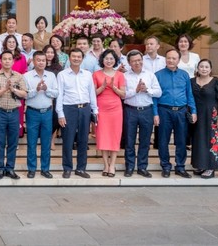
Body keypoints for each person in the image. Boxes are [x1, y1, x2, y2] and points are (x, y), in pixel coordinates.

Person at [154, 49, 197, 178]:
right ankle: (165, 166)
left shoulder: (184, 75)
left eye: (174, 58)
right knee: (163, 140)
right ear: (165, 59)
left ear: (178, 60)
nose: (171, 60)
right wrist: (155, 113)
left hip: (181, 111)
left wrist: (193, 111)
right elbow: (154, 97)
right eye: (168, 58)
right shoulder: (158, 75)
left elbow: (189, 94)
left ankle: (180, 166)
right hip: (164, 110)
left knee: (181, 141)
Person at [57, 48, 98, 178]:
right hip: (69, 109)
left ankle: (81, 168)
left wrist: (95, 110)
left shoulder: (87, 75)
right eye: (73, 56)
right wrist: (60, 114)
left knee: (83, 140)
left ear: (82, 58)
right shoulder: (62, 75)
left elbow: (91, 93)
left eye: (79, 56)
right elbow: (59, 95)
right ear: (69, 58)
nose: (76, 59)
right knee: (68, 140)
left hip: (85, 109)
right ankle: (67, 167)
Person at [0, 50, 26, 179]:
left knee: (13, 142)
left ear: (13, 61)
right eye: (5, 59)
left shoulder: (19, 76)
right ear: (0, 61)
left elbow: (24, 94)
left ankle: (10, 168)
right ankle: (0, 168)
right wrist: (5, 89)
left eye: (9, 59)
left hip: (14, 113)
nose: (7, 61)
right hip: (0, 113)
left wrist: (13, 89)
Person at [122, 50, 160, 178]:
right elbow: (123, 95)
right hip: (130, 110)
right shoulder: (125, 76)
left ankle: (142, 167)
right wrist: (136, 90)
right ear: (129, 63)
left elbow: (159, 92)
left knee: (145, 141)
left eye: (139, 60)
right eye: (134, 61)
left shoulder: (150, 75)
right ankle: (130, 166)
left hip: (146, 111)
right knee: (129, 140)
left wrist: (147, 90)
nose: (137, 63)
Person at [23, 51, 59, 178]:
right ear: (33, 61)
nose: (41, 62)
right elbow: (25, 95)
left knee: (46, 142)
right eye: (38, 60)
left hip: (47, 112)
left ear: (46, 61)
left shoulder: (51, 76)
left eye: (43, 60)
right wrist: (36, 90)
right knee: (31, 142)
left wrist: (46, 90)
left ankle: (45, 169)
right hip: (32, 112)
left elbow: (56, 93)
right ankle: (31, 169)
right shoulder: (26, 76)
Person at [190, 59, 218, 178]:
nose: (204, 69)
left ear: (210, 69)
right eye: (201, 66)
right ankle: (201, 165)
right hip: (196, 115)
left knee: (212, 140)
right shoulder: (192, 81)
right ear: (197, 68)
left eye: (206, 67)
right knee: (198, 140)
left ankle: (211, 167)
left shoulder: (216, 82)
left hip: (212, 115)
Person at [93, 49, 126, 177]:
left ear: (115, 60)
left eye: (111, 59)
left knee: (114, 136)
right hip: (101, 108)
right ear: (102, 60)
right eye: (106, 58)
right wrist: (102, 87)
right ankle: (105, 165)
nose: (109, 61)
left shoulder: (119, 75)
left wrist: (114, 88)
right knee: (103, 136)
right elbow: (92, 94)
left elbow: (123, 95)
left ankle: (112, 165)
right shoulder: (96, 74)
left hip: (116, 109)